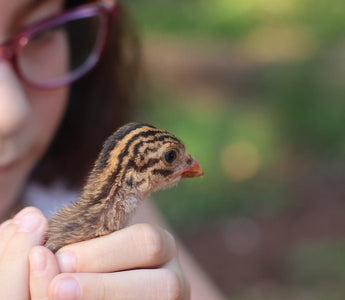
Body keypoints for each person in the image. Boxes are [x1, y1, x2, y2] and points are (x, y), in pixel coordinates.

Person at [0, 0, 226, 299]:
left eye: (43, 30)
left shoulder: (70, 183)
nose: (11, 114)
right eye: (170, 159)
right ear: (134, 174)